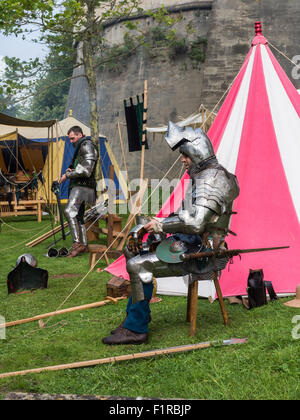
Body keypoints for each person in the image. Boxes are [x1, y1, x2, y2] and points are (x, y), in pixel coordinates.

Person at [102, 121, 240, 345]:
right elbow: (187, 214)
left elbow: (195, 223)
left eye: (185, 155)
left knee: (138, 265)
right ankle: (134, 318)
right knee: (132, 253)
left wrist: (160, 226)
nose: (183, 160)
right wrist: (154, 223)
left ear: (196, 152)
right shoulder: (208, 175)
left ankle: (136, 329)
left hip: (201, 251)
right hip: (191, 242)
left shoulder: (212, 180)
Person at [59, 126, 98, 257]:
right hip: (82, 186)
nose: (71, 141)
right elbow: (82, 167)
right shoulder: (82, 146)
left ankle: (77, 244)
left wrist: (68, 176)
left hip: (83, 186)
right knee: (79, 215)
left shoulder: (86, 145)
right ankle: (84, 245)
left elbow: (86, 171)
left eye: (73, 138)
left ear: (79, 135)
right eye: (70, 139)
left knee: (69, 211)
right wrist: (71, 170)